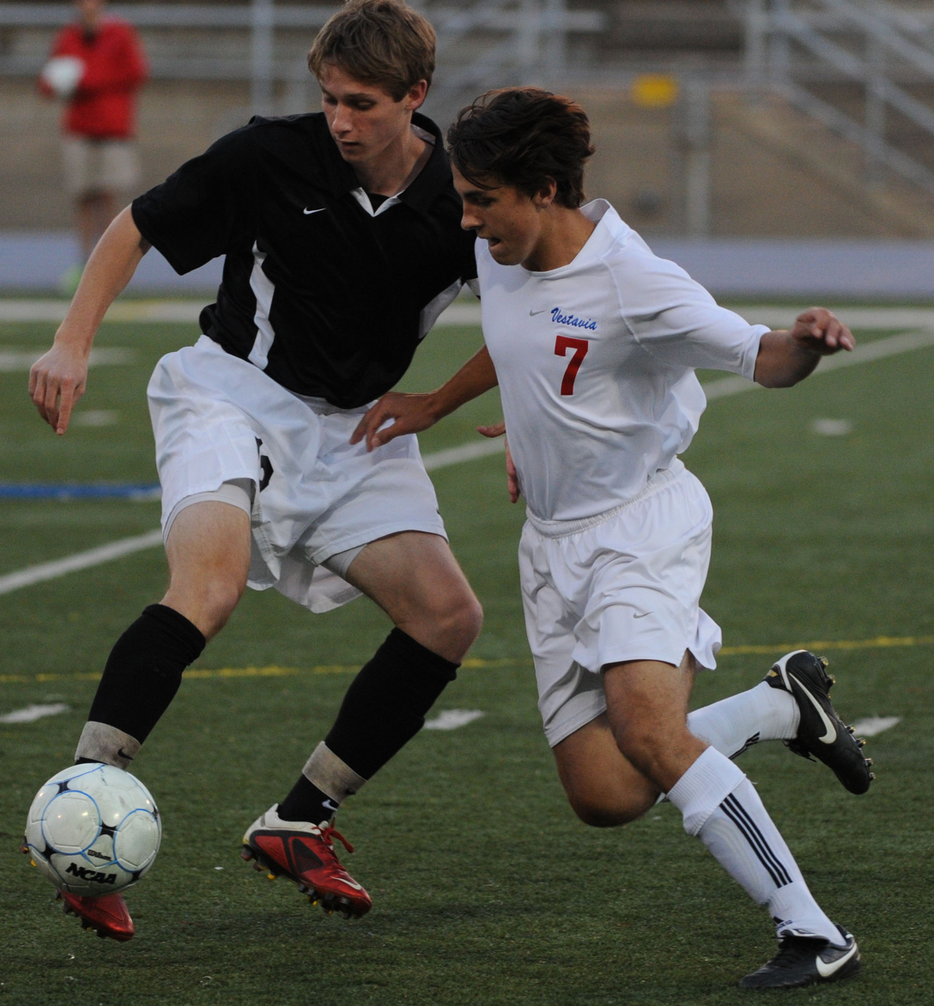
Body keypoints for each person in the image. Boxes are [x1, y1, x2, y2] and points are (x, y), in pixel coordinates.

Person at [352, 87, 872, 990]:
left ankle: (814, 931)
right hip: (551, 548)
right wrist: (449, 406)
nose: (468, 220)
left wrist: (808, 342)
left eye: (483, 200)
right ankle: (781, 707)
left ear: (545, 191)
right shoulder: (504, 250)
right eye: (465, 198)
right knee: (607, 793)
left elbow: (761, 356)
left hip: (643, 526)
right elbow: (524, 343)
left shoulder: (638, 281)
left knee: (646, 727)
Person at [27, 0, 483, 941]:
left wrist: (446, 404)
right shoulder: (269, 155)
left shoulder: (463, 194)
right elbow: (138, 226)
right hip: (229, 392)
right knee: (210, 586)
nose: (341, 120)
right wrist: (71, 340)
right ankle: (81, 824)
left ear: (417, 93)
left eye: (362, 102)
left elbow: (530, 312)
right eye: (330, 97)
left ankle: (299, 821)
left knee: (447, 615)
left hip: (356, 426)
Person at [38, 0, 147, 293]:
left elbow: (137, 73)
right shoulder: (68, 37)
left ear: (101, 1)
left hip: (112, 128)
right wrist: (56, 83)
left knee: (108, 197)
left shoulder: (120, 33)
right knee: (83, 197)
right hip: (80, 128)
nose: (87, 4)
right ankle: (84, 262)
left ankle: (113, 263)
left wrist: (88, 80)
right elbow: (47, 82)